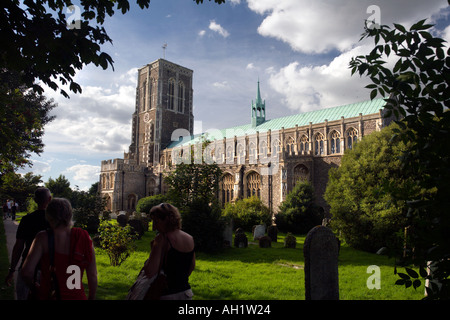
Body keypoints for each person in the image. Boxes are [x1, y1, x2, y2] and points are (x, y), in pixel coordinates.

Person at [20, 198, 98, 300]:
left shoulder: (42, 238)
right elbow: (92, 275)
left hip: (49, 295)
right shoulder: (83, 237)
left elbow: (26, 272)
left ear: (49, 215)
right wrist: (91, 297)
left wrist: (34, 288)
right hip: (76, 296)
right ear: (70, 214)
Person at [4, 187, 52, 299]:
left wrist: (12, 270)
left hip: (27, 266)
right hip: (47, 269)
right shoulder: (53, 221)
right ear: (49, 199)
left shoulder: (27, 220)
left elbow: (19, 246)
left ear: (35, 200)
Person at [144, 203, 195, 300]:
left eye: (156, 222)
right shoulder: (189, 238)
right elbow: (191, 266)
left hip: (166, 295)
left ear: (167, 219)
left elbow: (150, 272)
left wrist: (153, 250)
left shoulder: (162, 239)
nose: (154, 227)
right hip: (186, 293)